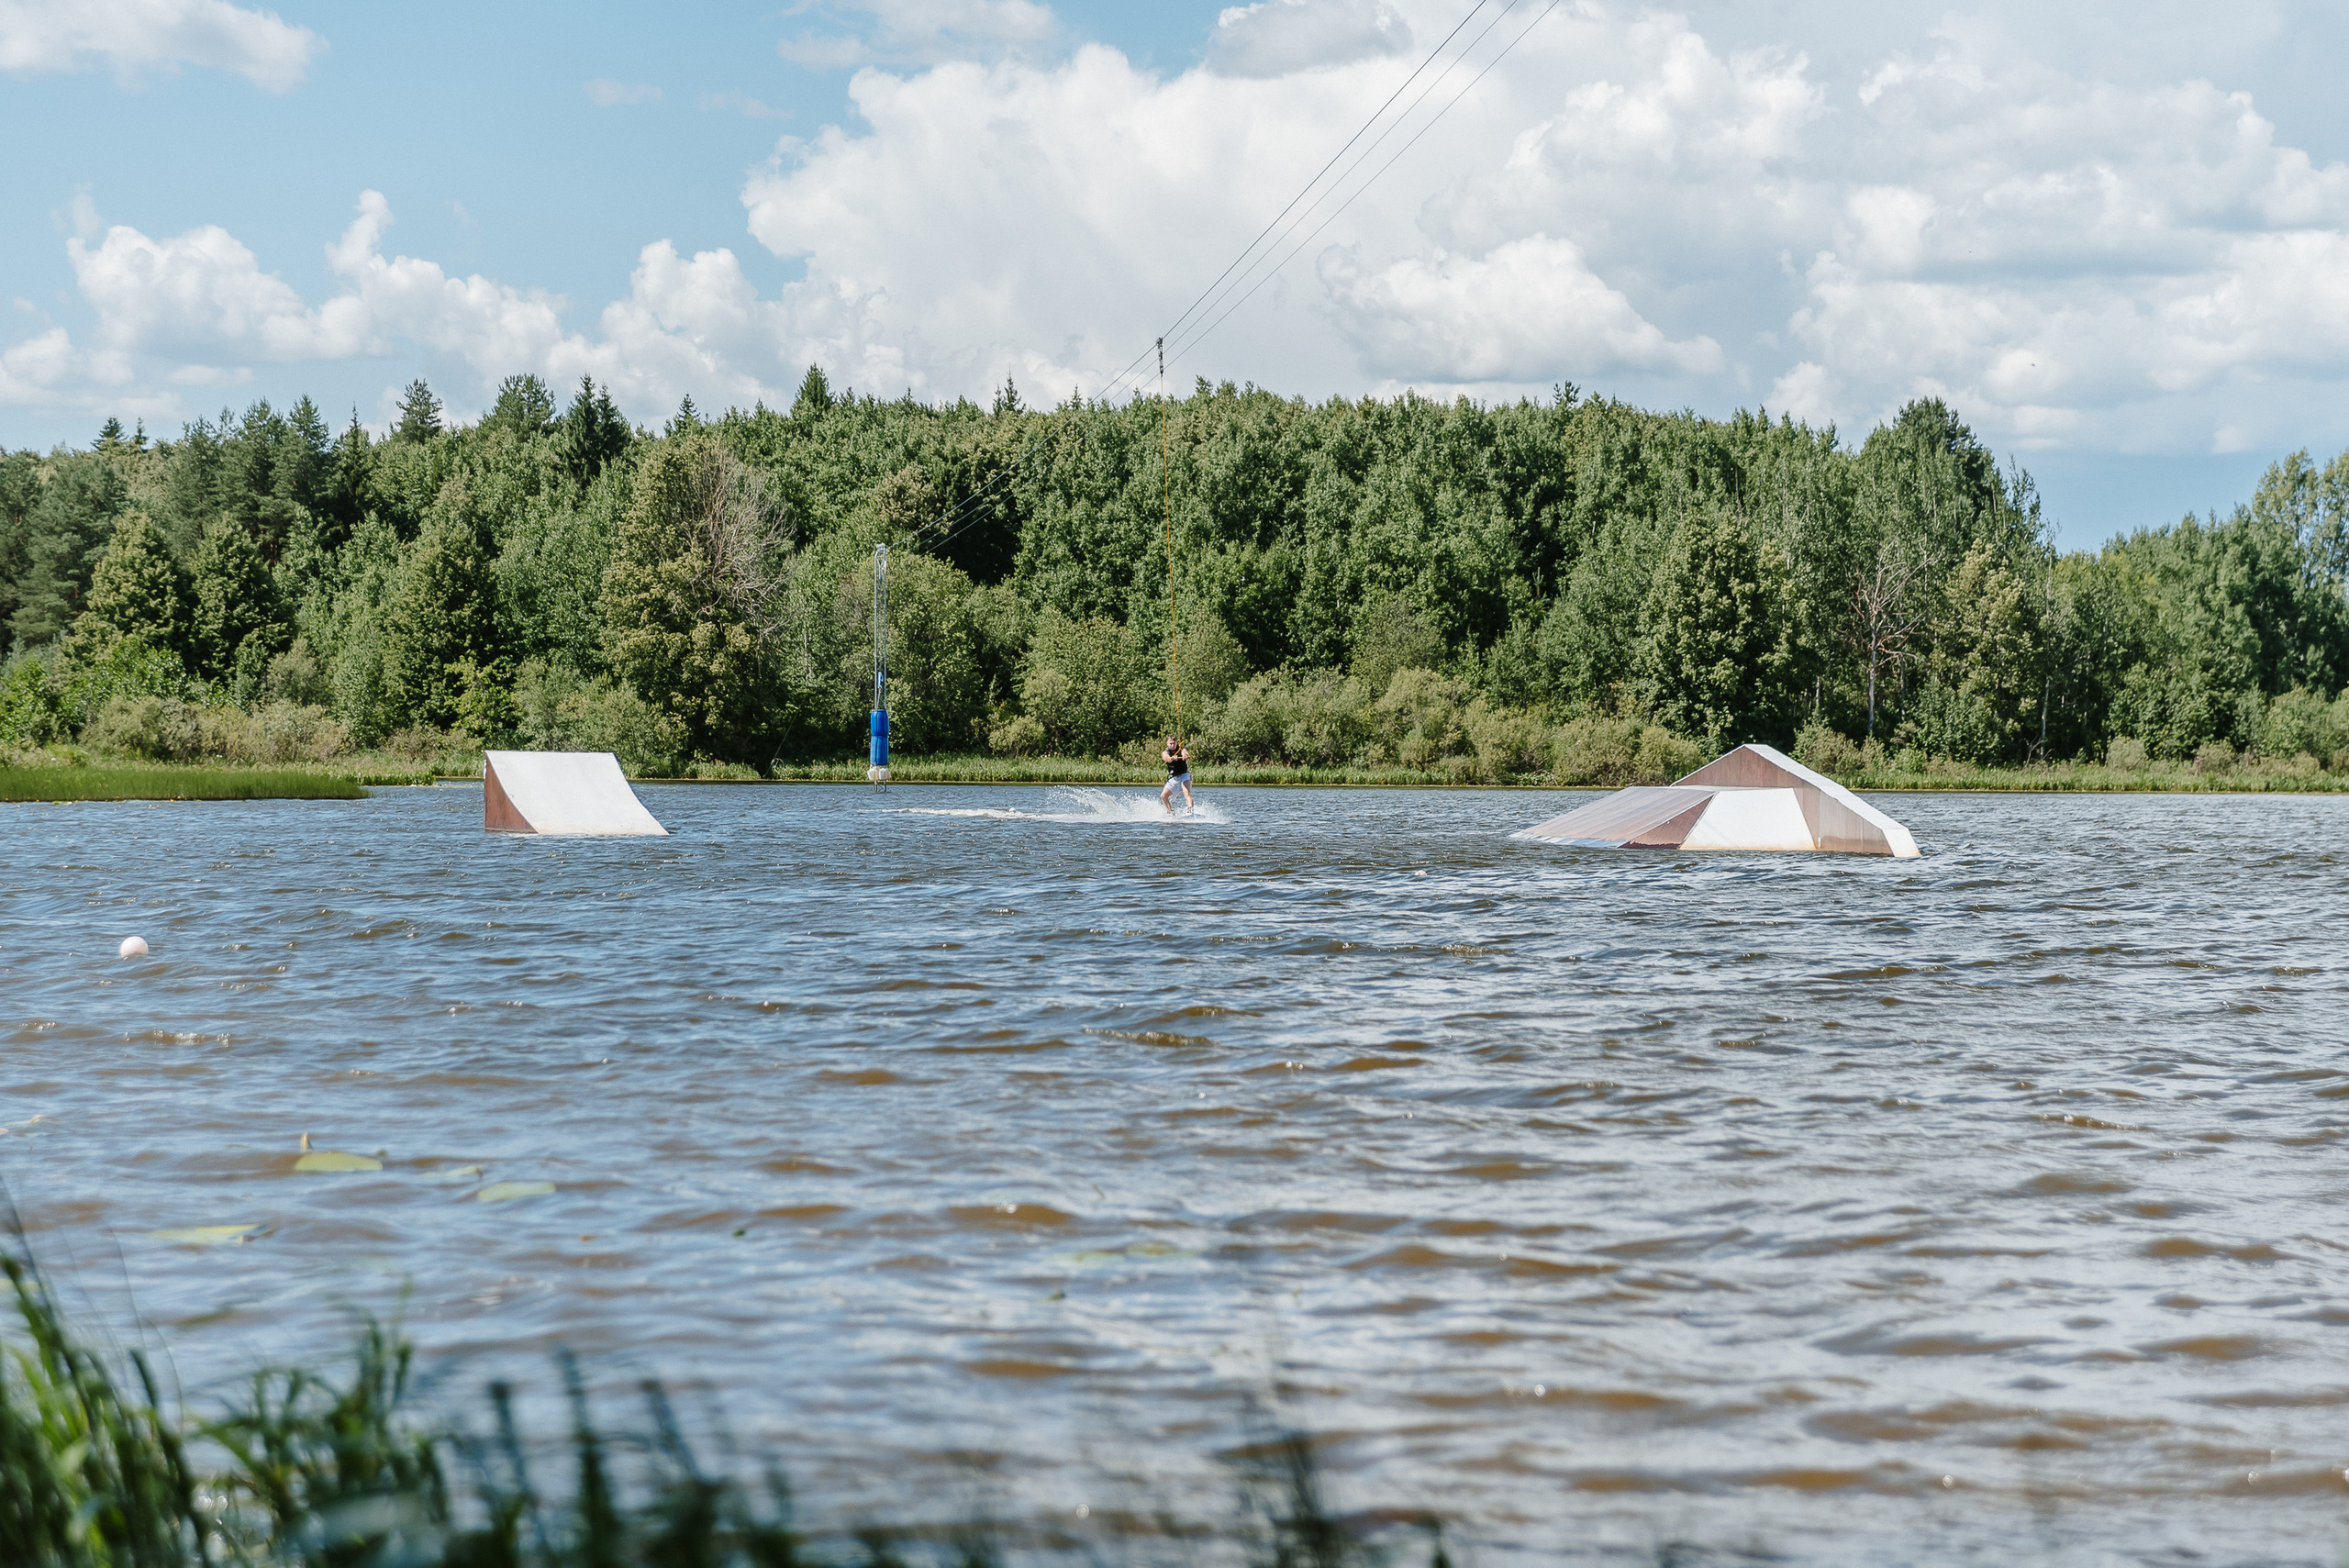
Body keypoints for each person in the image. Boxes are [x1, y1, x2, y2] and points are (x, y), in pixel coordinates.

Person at [1160, 735, 1194, 815]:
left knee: (1187, 793)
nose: (1172, 745)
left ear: (1176, 743)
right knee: (1163, 796)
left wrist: (1185, 756)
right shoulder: (1165, 753)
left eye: (1174, 743)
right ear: (1167, 743)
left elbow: (1185, 753)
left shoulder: (1181, 750)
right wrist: (1172, 758)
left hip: (1184, 776)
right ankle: (1170, 813)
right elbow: (1166, 758)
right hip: (1174, 778)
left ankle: (1190, 810)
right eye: (1170, 743)